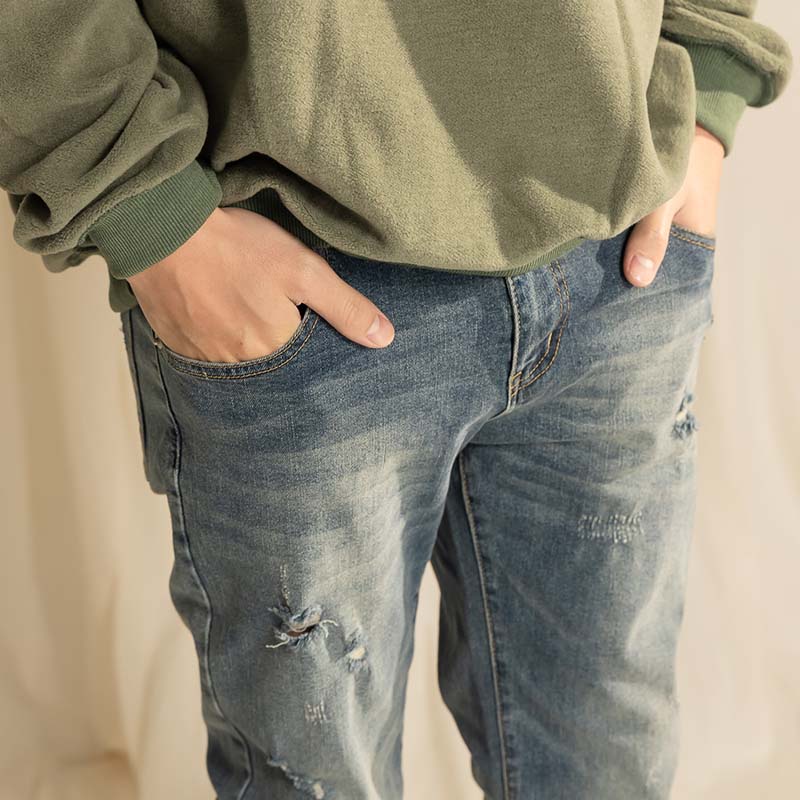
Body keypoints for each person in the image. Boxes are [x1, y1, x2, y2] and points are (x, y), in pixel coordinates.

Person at [1, 2, 792, 798]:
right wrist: (147, 206)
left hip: (616, 260)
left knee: (610, 774)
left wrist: (706, 69)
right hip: (302, 280)